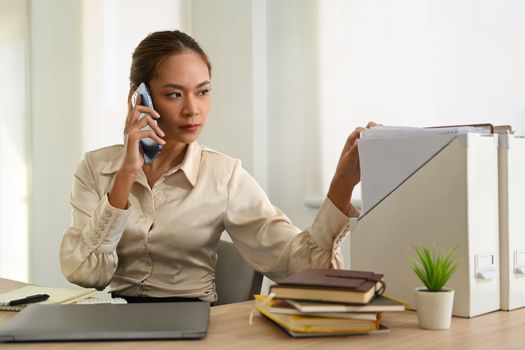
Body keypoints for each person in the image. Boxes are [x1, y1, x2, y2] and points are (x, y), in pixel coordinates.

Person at [60, 30, 369, 303]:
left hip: (192, 324)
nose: (192, 109)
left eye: (203, 92)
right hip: (115, 322)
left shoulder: (224, 176)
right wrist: (126, 174)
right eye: (174, 94)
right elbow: (87, 273)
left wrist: (341, 186)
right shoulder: (95, 168)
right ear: (140, 99)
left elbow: (302, 267)